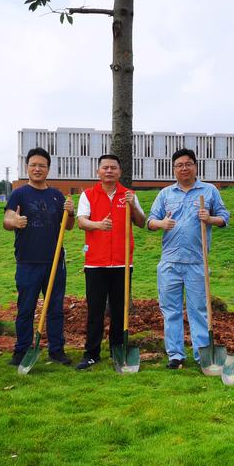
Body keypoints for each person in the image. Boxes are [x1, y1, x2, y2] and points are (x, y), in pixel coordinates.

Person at [147, 149, 230, 369]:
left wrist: (210, 218)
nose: (184, 168)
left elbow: (224, 218)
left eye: (188, 164)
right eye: (179, 165)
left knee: (199, 310)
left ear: (195, 166)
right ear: (174, 169)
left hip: (197, 262)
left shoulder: (209, 191)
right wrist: (161, 224)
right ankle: (176, 355)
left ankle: (202, 354)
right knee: (170, 310)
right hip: (170, 263)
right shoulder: (166, 194)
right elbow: (150, 221)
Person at [3, 148, 75, 366]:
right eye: (33, 165)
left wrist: (70, 212)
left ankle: (56, 350)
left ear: (48, 169)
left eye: (41, 165)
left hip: (54, 262)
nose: (37, 169)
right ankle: (21, 350)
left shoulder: (56, 195)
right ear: (27, 167)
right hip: (27, 261)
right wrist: (14, 221)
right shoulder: (19, 194)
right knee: (25, 308)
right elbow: (7, 219)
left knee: (55, 309)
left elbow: (68, 227)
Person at [75, 154, 147, 370]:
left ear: (119, 172)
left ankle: (118, 350)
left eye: (113, 168)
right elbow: (81, 221)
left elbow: (141, 222)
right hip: (95, 264)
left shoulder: (129, 195)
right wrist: (98, 225)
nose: (109, 171)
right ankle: (91, 353)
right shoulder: (88, 195)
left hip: (122, 263)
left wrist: (133, 206)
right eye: (105, 167)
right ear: (98, 171)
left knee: (119, 310)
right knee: (95, 310)